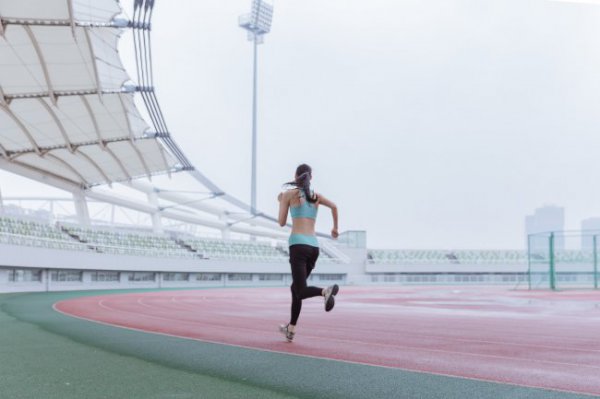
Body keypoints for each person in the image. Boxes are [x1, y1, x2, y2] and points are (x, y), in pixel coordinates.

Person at [277, 163, 339, 342]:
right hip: (314, 248)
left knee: (301, 290)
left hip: (298, 246)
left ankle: (325, 292)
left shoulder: (289, 194)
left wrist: (282, 202)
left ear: (295, 176)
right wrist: (335, 228)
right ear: (310, 178)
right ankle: (291, 329)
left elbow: (281, 222)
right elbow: (334, 207)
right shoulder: (315, 197)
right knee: (295, 289)